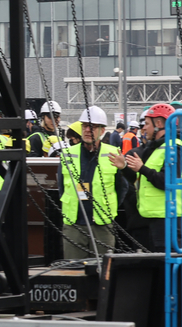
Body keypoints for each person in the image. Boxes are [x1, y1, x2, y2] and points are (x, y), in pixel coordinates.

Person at [109, 102, 182, 252]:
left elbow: (167, 181)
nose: (144, 128)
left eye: (146, 123)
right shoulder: (158, 148)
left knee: (164, 268)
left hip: (168, 219)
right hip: (154, 218)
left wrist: (142, 168)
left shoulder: (175, 148)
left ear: (158, 123)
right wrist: (124, 168)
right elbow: (141, 180)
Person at [60, 106, 127, 260]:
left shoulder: (113, 154)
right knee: (74, 273)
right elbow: (62, 187)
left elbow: (122, 188)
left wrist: (107, 206)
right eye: (85, 126)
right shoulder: (68, 155)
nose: (88, 130)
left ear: (102, 131)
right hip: (74, 225)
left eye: (93, 127)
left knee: (103, 275)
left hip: (102, 226)